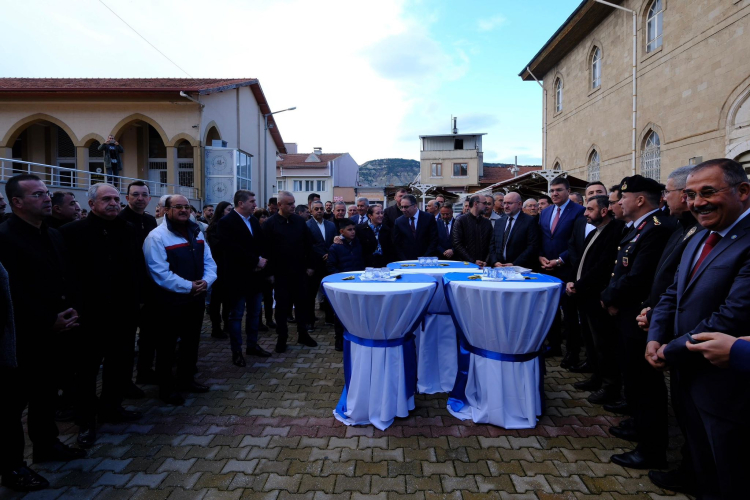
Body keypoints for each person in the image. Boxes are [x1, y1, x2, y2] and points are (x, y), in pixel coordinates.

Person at [646, 159, 750, 498]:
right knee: (702, 465)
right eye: (690, 195)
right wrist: (655, 337)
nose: (697, 203)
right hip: (686, 376)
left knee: (730, 475)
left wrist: (670, 350)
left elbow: (732, 315)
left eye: (708, 192)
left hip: (727, 386)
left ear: (743, 191)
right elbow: (673, 293)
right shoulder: (699, 236)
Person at [0, 175, 85, 492]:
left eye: (47, 193)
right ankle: (12, 468)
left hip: (59, 330)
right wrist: (48, 320)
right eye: (37, 194)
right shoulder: (5, 238)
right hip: (22, 337)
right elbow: (12, 292)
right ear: (17, 202)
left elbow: (66, 276)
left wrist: (72, 310)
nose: (47, 198)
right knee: (11, 405)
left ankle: (46, 444)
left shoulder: (53, 233)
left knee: (46, 392)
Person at [59, 183, 144, 447]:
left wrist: (138, 301)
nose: (113, 203)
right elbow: (66, 275)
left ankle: (111, 407)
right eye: (106, 199)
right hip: (89, 315)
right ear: (91, 203)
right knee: (86, 370)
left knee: (119, 364)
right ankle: (85, 420)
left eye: (116, 199)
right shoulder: (71, 232)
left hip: (123, 313)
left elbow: (136, 269)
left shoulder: (128, 229)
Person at [599, 175, 675, 470]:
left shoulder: (657, 229)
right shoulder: (640, 227)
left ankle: (651, 448)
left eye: (623, 198)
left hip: (639, 316)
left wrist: (609, 297)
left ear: (640, 199)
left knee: (646, 384)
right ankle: (638, 425)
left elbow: (639, 278)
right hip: (627, 314)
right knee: (634, 378)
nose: (618, 203)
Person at [631, 166, 699, 494]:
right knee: (682, 406)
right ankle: (687, 466)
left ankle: (691, 470)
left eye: (668, 192)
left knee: (691, 410)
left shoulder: (685, 227)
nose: (665, 198)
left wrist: (659, 317)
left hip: (685, 330)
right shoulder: (682, 227)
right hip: (658, 318)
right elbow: (668, 280)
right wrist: (653, 309)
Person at [143, 194, 217, 406]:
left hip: (195, 298)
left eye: (187, 206)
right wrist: (189, 286)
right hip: (169, 302)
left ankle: (186, 379)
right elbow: (159, 272)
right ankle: (166, 388)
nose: (184, 210)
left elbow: (210, 262)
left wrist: (206, 281)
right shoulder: (156, 237)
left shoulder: (197, 232)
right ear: (166, 210)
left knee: (191, 341)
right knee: (166, 346)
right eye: (178, 207)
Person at [563, 195, 624, 405]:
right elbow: (580, 261)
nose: (585, 213)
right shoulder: (593, 232)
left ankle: (610, 386)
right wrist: (571, 281)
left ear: (604, 211)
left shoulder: (614, 232)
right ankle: (596, 377)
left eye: (590, 209)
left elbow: (603, 267)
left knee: (603, 344)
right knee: (590, 341)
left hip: (597, 297)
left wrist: (578, 285)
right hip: (583, 296)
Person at [218, 190, 271, 368]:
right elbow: (232, 249)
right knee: (236, 316)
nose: (255, 204)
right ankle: (237, 351)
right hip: (237, 278)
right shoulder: (226, 222)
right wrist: (255, 261)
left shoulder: (253, 220)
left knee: (255, 313)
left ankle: (252, 345)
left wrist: (261, 260)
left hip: (256, 277)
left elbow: (261, 243)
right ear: (241, 203)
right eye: (252, 201)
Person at [538, 176, 585, 362]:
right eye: (552, 191)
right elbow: (542, 237)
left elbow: (578, 241)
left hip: (567, 268)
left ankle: (572, 352)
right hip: (546, 268)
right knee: (550, 311)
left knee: (570, 312)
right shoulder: (545, 212)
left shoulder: (579, 212)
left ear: (568, 191)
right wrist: (540, 256)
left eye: (558, 190)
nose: (554, 193)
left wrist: (559, 260)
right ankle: (554, 345)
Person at [263, 191, 317, 353]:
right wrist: (269, 273)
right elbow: (265, 251)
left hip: (300, 272)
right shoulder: (270, 224)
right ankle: (282, 338)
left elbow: (309, 245)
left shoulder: (300, 221)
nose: (293, 206)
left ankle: (303, 334)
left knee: (302, 304)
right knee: (281, 307)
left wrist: (310, 266)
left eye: (293, 203)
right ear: (280, 205)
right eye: (289, 204)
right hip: (280, 274)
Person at [118, 181, 159, 386]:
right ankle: (124, 382)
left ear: (149, 198)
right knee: (125, 339)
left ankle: (144, 371)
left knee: (149, 334)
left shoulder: (150, 220)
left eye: (144, 195)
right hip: (128, 288)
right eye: (135, 194)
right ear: (127, 198)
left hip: (150, 285)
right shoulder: (119, 220)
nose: (140, 198)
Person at [327, 218, 366, 351]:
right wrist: (342, 278)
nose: (353, 232)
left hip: (357, 283)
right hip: (343, 284)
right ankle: (339, 340)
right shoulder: (335, 247)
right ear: (341, 231)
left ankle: (355, 337)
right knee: (340, 313)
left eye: (354, 229)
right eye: (349, 230)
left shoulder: (357, 243)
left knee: (356, 312)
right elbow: (331, 266)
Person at [488, 192, 540, 269]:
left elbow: (532, 246)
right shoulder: (499, 222)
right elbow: (492, 244)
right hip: (499, 267)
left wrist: (515, 264)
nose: (506, 206)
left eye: (509, 203)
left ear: (519, 204)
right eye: (504, 203)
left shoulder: (529, 221)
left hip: (520, 268)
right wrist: (495, 261)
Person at [205, 201, 233, 339]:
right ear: (222, 211)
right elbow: (218, 247)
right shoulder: (214, 227)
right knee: (216, 300)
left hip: (229, 267)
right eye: (228, 210)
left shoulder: (230, 225)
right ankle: (216, 327)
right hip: (218, 268)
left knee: (228, 299)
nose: (231, 212)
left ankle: (227, 324)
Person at [307, 200, 337, 329]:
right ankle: (309, 321)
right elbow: (308, 245)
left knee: (329, 292)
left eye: (321, 208)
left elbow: (335, 241)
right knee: (311, 294)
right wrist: (322, 254)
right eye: (316, 209)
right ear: (311, 211)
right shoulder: (307, 225)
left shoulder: (331, 225)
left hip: (329, 264)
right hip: (314, 264)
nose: (319, 211)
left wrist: (330, 254)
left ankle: (329, 318)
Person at [393, 194, 438, 261]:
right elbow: (397, 244)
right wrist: (404, 260)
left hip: (426, 260)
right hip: (407, 261)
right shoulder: (399, 221)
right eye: (401, 207)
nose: (403, 210)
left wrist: (425, 258)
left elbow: (434, 239)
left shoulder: (428, 218)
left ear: (415, 206)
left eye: (406, 207)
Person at [452, 195, 493, 265]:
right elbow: (457, 244)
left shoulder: (487, 222)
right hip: (466, 265)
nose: (486, 206)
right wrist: (472, 261)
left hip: (484, 265)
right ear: (476, 204)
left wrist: (486, 261)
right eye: (484, 203)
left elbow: (492, 244)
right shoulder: (461, 221)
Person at [254, 208, 275, 330]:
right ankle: (258, 322)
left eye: (266, 216)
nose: (265, 219)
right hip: (257, 270)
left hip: (268, 268)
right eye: (262, 217)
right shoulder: (255, 231)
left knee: (268, 297)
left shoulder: (269, 231)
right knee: (257, 298)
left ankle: (269, 319)